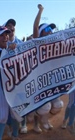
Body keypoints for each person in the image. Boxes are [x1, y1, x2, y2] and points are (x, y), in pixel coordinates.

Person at [32, 4, 63, 132]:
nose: (51, 30)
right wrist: (41, 11)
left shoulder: (55, 45)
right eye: (48, 28)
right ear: (41, 32)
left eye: (51, 28)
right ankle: (35, 123)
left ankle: (43, 119)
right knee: (43, 106)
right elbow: (35, 27)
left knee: (58, 105)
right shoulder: (37, 42)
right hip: (38, 81)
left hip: (51, 80)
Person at [0, 26, 21, 140]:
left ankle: (15, 135)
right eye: (2, 35)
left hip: (13, 83)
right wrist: (6, 51)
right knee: (2, 116)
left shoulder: (13, 47)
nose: (5, 37)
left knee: (16, 113)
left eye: (6, 34)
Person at [4, 19, 28, 134]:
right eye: (9, 26)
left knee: (22, 102)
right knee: (9, 105)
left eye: (13, 26)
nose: (11, 28)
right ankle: (11, 127)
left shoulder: (21, 43)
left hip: (20, 78)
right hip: (7, 79)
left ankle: (23, 124)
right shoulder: (3, 43)